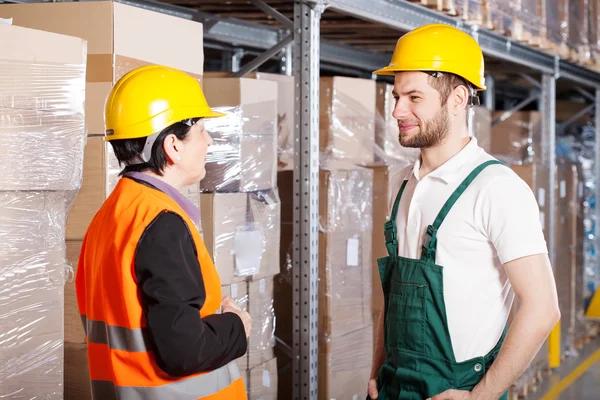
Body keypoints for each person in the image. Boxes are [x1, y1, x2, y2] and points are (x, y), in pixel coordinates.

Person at [367, 24, 561, 400]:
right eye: (396, 96)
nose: (397, 110)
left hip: (458, 391)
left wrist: (479, 397)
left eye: (413, 97)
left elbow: (542, 309)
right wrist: (377, 368)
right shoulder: (404, 183)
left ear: (457, 100)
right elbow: (395, 295)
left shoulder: (495, 188)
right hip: (393, 385)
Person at [75, 65, 251, 399]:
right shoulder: (161, 223)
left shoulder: (111, 215)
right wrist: (237, 327)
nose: (210, 141)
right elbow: (186, 352)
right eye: (201, 130)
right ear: (173, 146)